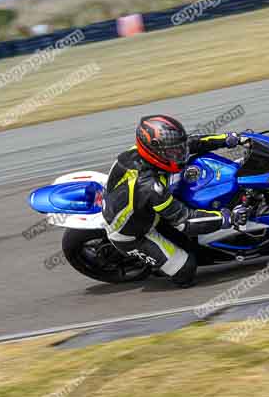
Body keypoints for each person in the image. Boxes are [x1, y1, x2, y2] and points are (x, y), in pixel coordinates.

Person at [102, 114, 249, 287]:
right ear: (155, 152)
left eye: (178, 149)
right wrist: (227, 218)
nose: (180, 154)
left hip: (137, 203)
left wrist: (229, 139)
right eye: (174, 152)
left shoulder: (137, 152)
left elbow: (190, 143)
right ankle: (161, 266)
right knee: (186, 269)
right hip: (135, 234)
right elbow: (185, 221)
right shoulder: (150, 187)